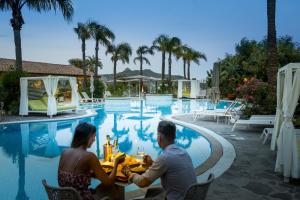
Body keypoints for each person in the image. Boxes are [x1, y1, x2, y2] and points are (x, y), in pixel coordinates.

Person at [122, 120, 197, 200]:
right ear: (174, 136)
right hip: (191, 196)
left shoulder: (165, 157)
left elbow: (142, 182)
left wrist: (128, 173)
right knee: (153, 192)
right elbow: (168, 168)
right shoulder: (183, 152)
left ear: (159, 138)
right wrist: (152, 163)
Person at [58, 122, 125, 200]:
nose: (94, 139)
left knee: (102, 187)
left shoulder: (64, 152)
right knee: (113, 188)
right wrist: (116, 162)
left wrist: (90, 173)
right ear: (88, 137)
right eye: (94, 136)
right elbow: (108, 182)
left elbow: (71, 177)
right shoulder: (89, 156)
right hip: (81, 198)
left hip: (65, 197)